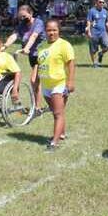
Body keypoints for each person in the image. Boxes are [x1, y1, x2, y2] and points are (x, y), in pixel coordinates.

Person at [37, 19, 76, 150]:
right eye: (49, 30)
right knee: (56, 112)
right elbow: (39, 64)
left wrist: (70, 82)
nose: (51, 33)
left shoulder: (64, 45)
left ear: (59, 31)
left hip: (59, 84)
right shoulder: (42, 46)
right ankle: (62, 133)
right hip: (46, 85)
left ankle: (54, 142)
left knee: (58, 113)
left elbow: (71, 63)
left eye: (54, 30)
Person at [3, 5, 46, 111]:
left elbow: (34, 36)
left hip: (41, 54)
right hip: (32, 56)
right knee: (36, 81)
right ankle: (37, 106)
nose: (22, 19)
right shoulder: (22, 25)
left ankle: (37, 108)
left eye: (24, 16)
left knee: (34, 80)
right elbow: (14, 36)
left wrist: (26, 48)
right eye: (20, 17)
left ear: (31, 14)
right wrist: (4, 46)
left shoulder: (38, 23)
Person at [86, 0, 108, 67]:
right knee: (93, 49)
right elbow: (88, 21)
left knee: (107, 46)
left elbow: (107, 20)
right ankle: (95, 63)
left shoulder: (105, 11)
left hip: (103, 32)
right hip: (94, 32)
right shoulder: (92, 11)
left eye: (103, 2)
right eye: (100, 2)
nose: (102, 3)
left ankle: (101, 53)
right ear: (96, 3)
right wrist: (88, 31)